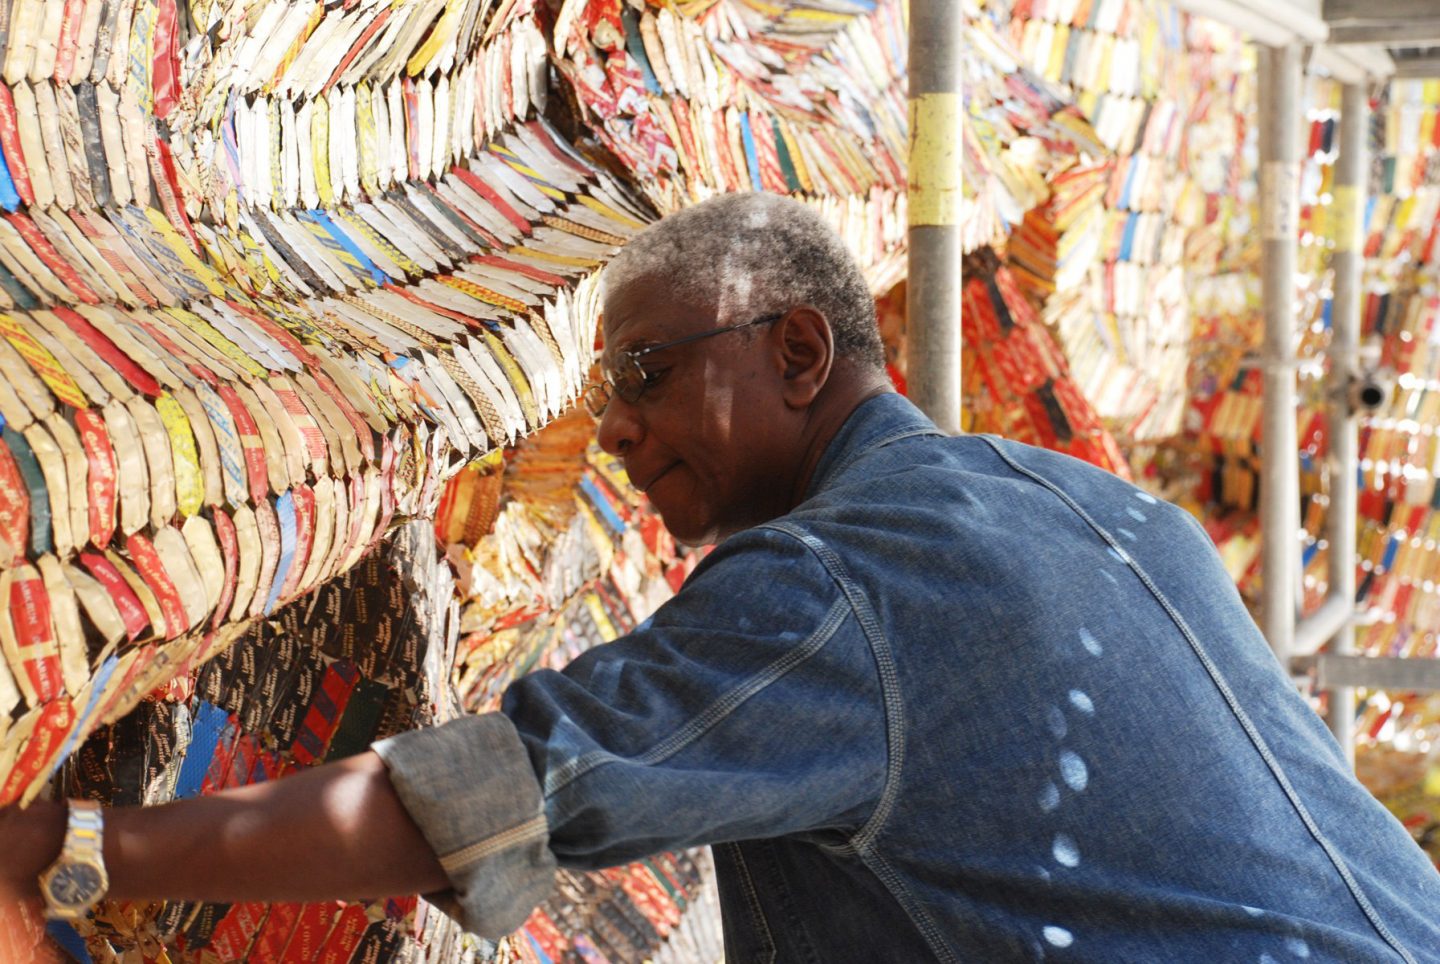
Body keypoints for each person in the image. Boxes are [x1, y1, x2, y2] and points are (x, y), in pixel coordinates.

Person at [4, 191, 1440, 962]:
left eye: (644, 372)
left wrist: (70, 856)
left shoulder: (842, 584)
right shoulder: (1103, 510)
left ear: (800, 353)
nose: (615, 428)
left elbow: (495, 798)